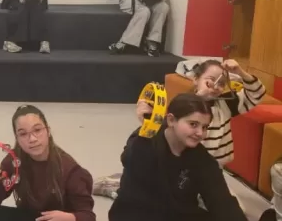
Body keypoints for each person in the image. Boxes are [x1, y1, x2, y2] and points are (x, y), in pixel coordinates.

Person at [109, 93, 265, 221]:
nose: (200, 133)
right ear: (171, 120)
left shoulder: (201, 158)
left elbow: (223, 202)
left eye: (205, 127)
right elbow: (131, 160)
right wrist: (147, 129)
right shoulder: (146, 140)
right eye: (193, 124)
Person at [93, 58, 267, 201]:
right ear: (196, 79)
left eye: (221, 83)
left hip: (212, 172)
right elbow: (162, 133)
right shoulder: (184, 105)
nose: (215, 86)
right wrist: (146, 118)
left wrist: (240, 72)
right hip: (182, 170)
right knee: (160, 200)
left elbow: (257, 94)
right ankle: (116, 185)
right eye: (210, 80)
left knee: (231, 209)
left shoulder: (226, 105)